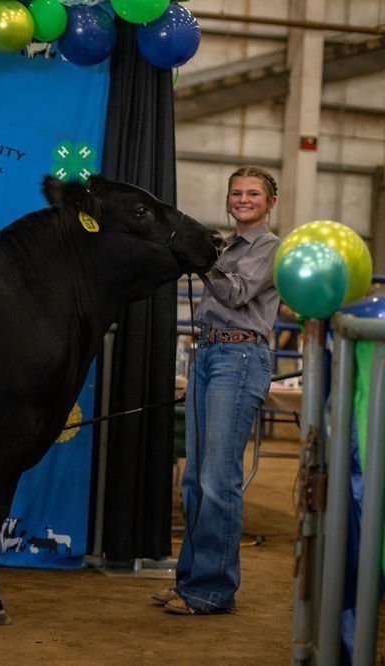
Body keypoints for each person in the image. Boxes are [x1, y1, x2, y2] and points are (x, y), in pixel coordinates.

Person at [154, 165, 281, 615]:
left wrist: (200, 260)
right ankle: (190, 580)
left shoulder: (270, 249)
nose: (243, 200)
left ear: (269, 203)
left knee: (218, 478)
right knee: (194, 479)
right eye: (236, 193)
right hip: (209, 356)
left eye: (253, 194)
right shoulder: (222, 246)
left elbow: (235, 296)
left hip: (240, 358)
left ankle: (213, 589)